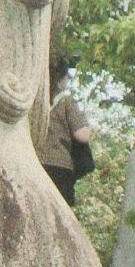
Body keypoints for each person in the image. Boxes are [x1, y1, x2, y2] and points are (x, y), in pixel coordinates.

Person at [40, 60, 93, 206]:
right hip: (59, 165)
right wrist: (87, 122)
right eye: (66, 77)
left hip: (36, 162)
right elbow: (82, 135)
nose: (68, 80)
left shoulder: (36, 101)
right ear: (59, 81)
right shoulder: (67, 102)